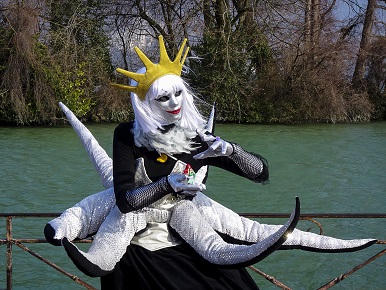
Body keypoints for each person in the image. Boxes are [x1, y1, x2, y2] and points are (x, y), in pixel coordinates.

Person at [45, 35, 376, 290]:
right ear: (145, 103)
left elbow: (261, 173)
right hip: (136, 242)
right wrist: (167, 184)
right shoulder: (127, 135)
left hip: (191, 229)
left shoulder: (195, 134)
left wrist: (229, 150)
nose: (174, 103)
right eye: (163, 97)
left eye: (178, 93)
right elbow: (125, 200)